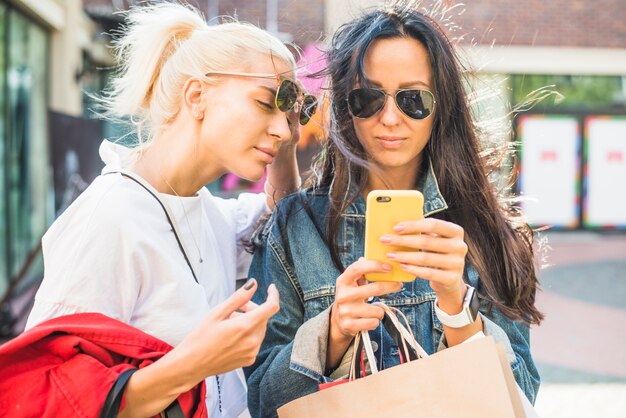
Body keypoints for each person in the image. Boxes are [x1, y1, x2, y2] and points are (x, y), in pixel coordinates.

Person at [245, 4, 543, 417]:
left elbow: (521, 398)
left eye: (413, 99)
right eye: (368, 98)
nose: (389, 118)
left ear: (442, 107)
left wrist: (457, 308)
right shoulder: (295, 226)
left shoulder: (489, 233)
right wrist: (330, 334)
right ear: (347, 107)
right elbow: (260, 400)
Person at [24, 3, 317, 417]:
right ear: (196, 96)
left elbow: (280, 213)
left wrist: (286, 129)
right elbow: (49, 394)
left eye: (289, 115)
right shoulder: (110, 216)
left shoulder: (207, 214)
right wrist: (195, 363)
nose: (283, 128)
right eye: (266, 103)